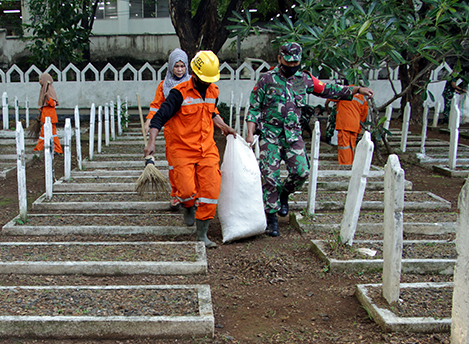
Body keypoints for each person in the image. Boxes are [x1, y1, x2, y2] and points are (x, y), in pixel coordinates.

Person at [246, 42, 374, 237]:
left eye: (295, 62)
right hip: (270, 135)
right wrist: (250, 132)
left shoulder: (304, 80)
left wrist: (356, 90)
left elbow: (329, 90)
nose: (292, 66)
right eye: (288, 62)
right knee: (270, 176)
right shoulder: (266, 79)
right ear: (280, 59)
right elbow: (254, 107)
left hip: (293, 135)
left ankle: (284, 194)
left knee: (301, 171)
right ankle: (271, 219)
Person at [144, 50, 237, 248]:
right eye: (203, 79)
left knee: (211, 191)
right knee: (186, 190)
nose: (206, 83)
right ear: (194, 73)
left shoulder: (213, 90)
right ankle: (187, 205)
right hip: (182, 148)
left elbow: (212, 112)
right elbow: (159, 117)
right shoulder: (179, 93)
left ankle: (202, 234)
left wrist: (224, 126)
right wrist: (151, 142)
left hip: (207, 148)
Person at [145, 48, 191, 209]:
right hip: (172, 131)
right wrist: (149, 121)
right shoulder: (164, 86)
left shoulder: (192, 83)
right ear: (171, 66)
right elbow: (156, 106)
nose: (179, 70)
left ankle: (191, 194)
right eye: (176, 66)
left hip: (191, 131)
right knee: (173, 165)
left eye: (182, 66)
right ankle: (176, 193)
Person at [329, 89, 369, 165]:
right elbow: (364, 113)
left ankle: (345, 165)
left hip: (344, 123)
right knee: (351, 146)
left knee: (344, 146)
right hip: (355, 125)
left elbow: (330, 96)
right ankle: (351, 163)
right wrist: (359, 127)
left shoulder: (343, 92)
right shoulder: (361, 96)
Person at [33, 73, 63, 154]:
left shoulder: (49, 89)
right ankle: (41, 148)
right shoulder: (44, 88)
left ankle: (56, 149)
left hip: (50, 116)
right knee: (45, 132)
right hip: (46, 115)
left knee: (51, 133)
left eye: (41, 79)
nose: (40, 81)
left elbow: (53, 103)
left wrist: (48, 98)